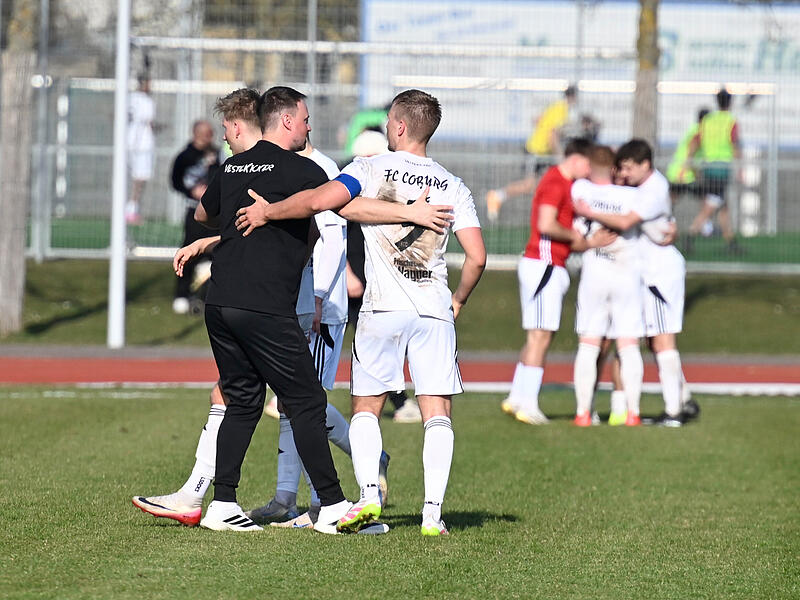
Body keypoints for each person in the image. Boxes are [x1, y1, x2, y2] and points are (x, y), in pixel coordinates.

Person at [234, 88, 487, 536]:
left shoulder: (369, 168)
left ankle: (368, 496)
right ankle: (432, 515)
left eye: (388, 120)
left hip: (382, 309)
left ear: (401, 126)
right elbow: (478, 257)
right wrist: (460, 300)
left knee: (366, 407)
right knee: (438, 412)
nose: (385, 127)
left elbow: (319, 201)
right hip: (434, 308)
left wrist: (269, 212)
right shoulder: (453, 185)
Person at [574, 139, 699, 426]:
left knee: (662, 339)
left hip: (659, 272)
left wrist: (589, 212)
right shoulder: (637, 188)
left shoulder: (653, 189)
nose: (624, 174)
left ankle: (674, 411)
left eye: (629, 168)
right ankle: (676, 400)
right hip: (640, 272)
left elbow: (627, 220)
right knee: (644, 342)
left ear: (646, 165)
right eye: (621, 168)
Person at [500, 138, 613, 425]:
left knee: (536, 335)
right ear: (577, 159)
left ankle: (516, 397)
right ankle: (528, 403)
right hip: (544, 265)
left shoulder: (562, 183)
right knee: (541, 335)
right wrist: (577, 237)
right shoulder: (555, 182)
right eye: (588, 165)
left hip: (548, 264)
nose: (589, 171)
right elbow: (546, 224)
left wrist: (586, 242)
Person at [570, 146, 644, 427]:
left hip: (594, 272)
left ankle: (582, 413)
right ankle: (633, 413)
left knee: (588, 343)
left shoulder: (581, 190)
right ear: (615, 169)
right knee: (627, 344)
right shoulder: (632, 195)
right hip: (626, 273)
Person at [485, 85, 577, 221]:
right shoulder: (562, 110)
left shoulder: (556, 107)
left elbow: (537, 119)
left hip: (541, 152)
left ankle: (554, 212)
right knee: (530, 184)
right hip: (536, 151)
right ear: (573, 98)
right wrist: (560, 157)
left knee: (546, 183)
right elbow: (552, 136)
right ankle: (497, 196)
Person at [169, 120, 220, 314]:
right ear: (196, 133)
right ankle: (181, 294)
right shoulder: (185, 156)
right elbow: (175, 181)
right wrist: (192, 191)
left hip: (214, 213)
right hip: (194, 211)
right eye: (206, 133)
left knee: (215, 253)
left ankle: (206, 296)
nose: (210, 137)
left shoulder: (217, 154)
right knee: (189, 251)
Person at [685, 88, 743, 254]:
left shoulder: (708, 120)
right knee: (712, 204)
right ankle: (691, 233)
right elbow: (734, 144)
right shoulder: (730, 121)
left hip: (708, 166)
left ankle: (730, 241)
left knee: (723, 206)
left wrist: (689, 161)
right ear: (730, 102)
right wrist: (740, 167)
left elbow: (696, 141)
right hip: (722, 168)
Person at [126, 74, 156, 225]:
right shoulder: (142, 100)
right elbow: (147, 121)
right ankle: (130, 210)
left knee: (138, 178)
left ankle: (132, 209)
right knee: (139, 178)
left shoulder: (133, 98)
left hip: (134, 142)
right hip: (140, 144)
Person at [667, 107, 709, 203]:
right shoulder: (699, 132)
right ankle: (702, 219)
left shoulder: (693, 129)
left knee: (671, 201)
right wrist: (694, 172)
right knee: (707, 200)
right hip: (685, 173)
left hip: (678, 171)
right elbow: (691, 153)